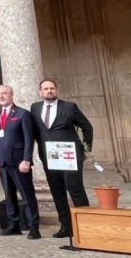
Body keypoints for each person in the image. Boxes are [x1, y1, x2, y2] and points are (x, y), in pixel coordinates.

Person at [30, 79, 94, 239]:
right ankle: (66, 226)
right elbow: (36, 131)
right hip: (49, 157)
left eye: (52, 88)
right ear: (40, 92)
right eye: (45, 89)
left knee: (75, 189)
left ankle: (86, 227)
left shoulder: (69, 107)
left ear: (56, 90)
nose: (49, 91)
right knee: (57, 191)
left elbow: (87, 127)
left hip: (69, 156)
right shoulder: (35, 108)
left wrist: (86, 149)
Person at [0, 85, 40, 239]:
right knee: (9, 195)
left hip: (19, 162)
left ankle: (34, 227)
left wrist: (26, 159)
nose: (1, 96)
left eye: (4, 93)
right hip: (2, 162)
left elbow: (28, 139)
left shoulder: (22, 114)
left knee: (27, 195)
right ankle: (13, 225)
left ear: (11, 95)